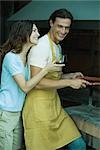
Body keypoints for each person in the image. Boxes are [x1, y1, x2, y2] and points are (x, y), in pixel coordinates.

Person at [22, 9, 90, 150]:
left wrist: (70, 76)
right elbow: (37, 83)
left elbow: (51, 77)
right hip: (38, 109)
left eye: (67, 27)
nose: (63, 31)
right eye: (60, 26)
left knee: (79, 145)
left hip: (54, 107)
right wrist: (69, 83)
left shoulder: (57, 46)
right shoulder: (41, 46)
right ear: (51, 23)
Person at [0, 20, 64, 150]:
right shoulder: (11, 58)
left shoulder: (26, 57)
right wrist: (46, 69)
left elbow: (34, 80)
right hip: (6, 111)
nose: (38, 34)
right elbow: (25, 87)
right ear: (24, 34)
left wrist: (69, 76)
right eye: (34, 31)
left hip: (18, 111)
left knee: (16, 147)